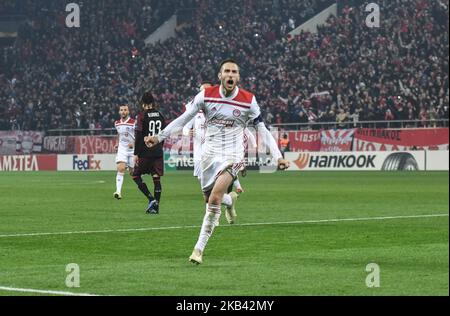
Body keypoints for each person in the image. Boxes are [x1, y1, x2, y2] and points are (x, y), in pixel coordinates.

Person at [145, 59, 290, 264]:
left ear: (238, 77)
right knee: (210, 198)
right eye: (227, 71)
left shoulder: (248, 100)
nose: (230, 75)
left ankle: (198, 249)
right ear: (220, 76)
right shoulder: (206, 95)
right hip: (209, 155)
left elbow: (262, 129)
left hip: (233, 156)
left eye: (234, 72)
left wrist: (278, 157)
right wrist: (159, 137)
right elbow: (184, 118)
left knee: (213, 200)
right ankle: (230, 201)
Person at [133, 91, 166, 214]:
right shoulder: (160, 115)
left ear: (143, 103)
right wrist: (159, 147)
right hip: (157, 152)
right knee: (156, 179)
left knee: (135, 174)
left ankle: (151, 199)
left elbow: (139, 135)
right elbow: (163, 134)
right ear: (153, 102)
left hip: (145, 152)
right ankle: (156, 208)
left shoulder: (141, 116)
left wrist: (136, 153)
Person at [113, 104, 135, 200]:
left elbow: (138, 135)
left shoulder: (134, 123)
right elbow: (119, 135)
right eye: (121, 110)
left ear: (128, 111)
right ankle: (118, 192)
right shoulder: (117, 123)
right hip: (122, 148)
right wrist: (117, 144)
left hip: (132, 149)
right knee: (120, 168)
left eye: (125, 110)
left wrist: (134, 143)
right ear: (119, 112)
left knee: (133, 173)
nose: (123, 112)